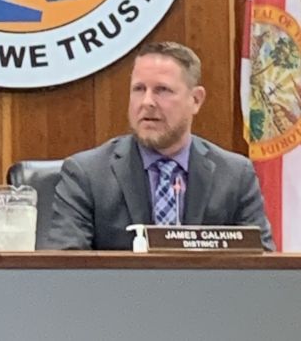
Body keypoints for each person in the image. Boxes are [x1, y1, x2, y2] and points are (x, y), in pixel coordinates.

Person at [45, 41, 274, 250]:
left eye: (162, 90)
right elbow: (65, 266)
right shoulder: (87, 174)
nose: (147, 102)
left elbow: (263, 267)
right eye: (139, 89)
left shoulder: (235, 175)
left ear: (195, 100)